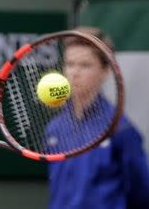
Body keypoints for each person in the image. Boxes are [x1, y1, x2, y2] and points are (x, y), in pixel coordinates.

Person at [46, 27, 149, 209]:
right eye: (70, 64)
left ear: (106, 70)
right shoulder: (54, 129)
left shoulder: (122, 130)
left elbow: (141, 195)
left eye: (85, 65)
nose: (74, 73)